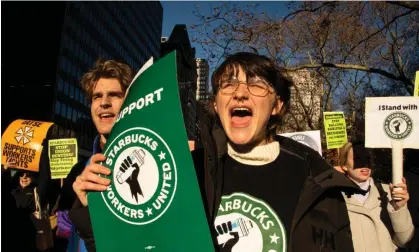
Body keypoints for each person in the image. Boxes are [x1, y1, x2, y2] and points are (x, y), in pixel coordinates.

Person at [70, 52, 365, 252]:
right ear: (216, 104)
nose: (240, 92)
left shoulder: (318, 183)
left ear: (278, 106)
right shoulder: (186, 172)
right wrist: (92, 211)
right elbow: (137, 245)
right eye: (228, 84)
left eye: (256, 84)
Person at [66, 58, 133, 252]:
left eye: (114, 95)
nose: (104, 103)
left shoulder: (149, 160)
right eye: (97, 96)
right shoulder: (80, 170)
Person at [338, 141, 414, 252]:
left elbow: (404, 241)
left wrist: (399, 208)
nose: (365, 164)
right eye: (357, 158)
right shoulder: (334, 198)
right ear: (344, 165)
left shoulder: (389, 192)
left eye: (368, 158)